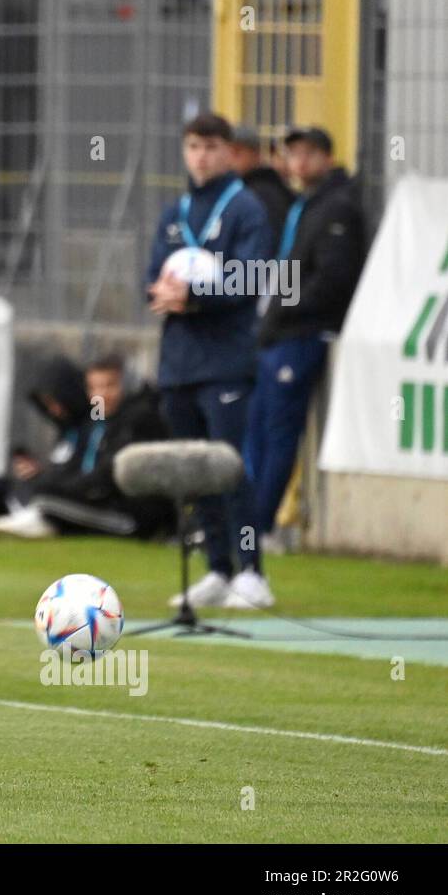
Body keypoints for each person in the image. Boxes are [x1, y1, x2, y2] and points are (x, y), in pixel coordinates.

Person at [145, 111, 275, 609]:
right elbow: (153, 275)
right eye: (193, 146)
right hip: (179, 364)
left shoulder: (246, 209)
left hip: (225, 360)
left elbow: (249, 279)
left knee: (228, 465)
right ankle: (218, 567)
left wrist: (194, 295)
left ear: (228, 151)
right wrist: (160, 291)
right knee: (194, 472)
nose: (201, 156)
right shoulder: (175, 210)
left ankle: (253, 573)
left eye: (211, 147)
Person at [244, 126, 365, 546]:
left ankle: (260, 527)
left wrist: (285, 308)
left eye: (308, 154)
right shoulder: (306, 205)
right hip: (277, 333)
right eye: (292, 154)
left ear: (327, 158)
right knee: (257, 429)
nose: (299, 163)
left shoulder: (338, 209)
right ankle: (246, 525)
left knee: (279, 431)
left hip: (303, 334)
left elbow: (333, 279)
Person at [0, 355, 170, 538]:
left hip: (132, 515)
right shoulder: (102, 419)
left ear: (128, 386)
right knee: (42, 491)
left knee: (45, 497)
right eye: (94, 388)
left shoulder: (140, 419)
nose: (100, 396)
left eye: (109, 386)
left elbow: (108, 473)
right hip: (102, 501)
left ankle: (39, 521)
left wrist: (67, 490)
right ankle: (35, 520)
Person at [0, 354, 88, 535]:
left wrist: (42, 475)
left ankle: (11, 521)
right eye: (47, 404)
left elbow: (78, 476)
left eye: (55, 401)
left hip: (54, 497)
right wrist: (35, 469)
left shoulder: (89, 428)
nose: (53, 409)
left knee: (40, 492)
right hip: (36, 488)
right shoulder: (64, 431)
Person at [229, 125, 294, 242]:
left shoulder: (264, 192)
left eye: (237, 152)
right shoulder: (234, 188)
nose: (230, 158)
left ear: (256, 154)